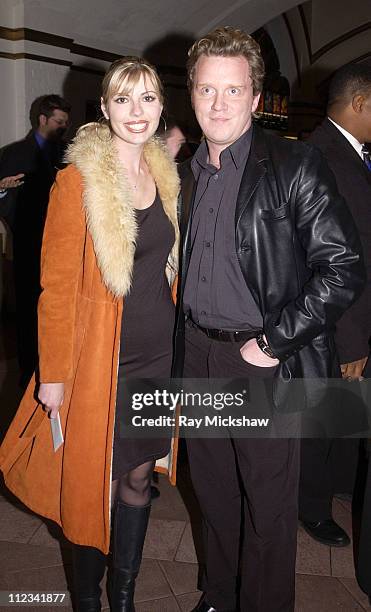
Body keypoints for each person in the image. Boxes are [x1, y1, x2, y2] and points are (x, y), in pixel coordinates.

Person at [173, 27, 365, 612]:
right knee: (214, 492)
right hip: (200, 357)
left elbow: (343, 268)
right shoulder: (184, 174)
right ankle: (220, 593)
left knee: (267, 505)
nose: (219, 104)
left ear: (256, 98)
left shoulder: (294, 164)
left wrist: (274, 343)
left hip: (261, 362)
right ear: (193, 94)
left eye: (233, 91)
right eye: (207, 90)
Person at [0, 57, 180, 611]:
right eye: (123, 99)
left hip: (156, 357)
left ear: (160, 108)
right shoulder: (75, 182)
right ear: (103, 109)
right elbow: (53, 288)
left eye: (147, 98)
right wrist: (52, 375)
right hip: (99, 359)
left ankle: (122, 596)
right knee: (89, 487)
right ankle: (87, 600)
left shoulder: (165, 174)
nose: (136, 111)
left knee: (135, 478)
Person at [299, 63, 371, 548]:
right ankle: (312, 507)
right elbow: (336, 259)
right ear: (361, 103)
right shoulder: (324, 156)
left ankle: (339, 487)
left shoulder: (351, 153)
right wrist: (351, 340)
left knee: (342, 416)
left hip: (350, 318)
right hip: (336, 322)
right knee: (320, 422)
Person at [0, 94, 71, 385]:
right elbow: (5, 204)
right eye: (58, 122)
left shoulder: (69, 153)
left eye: (66, 123)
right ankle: (28, 376)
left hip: (64, 247)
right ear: (42, 119)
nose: (63, 128)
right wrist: (2, 191)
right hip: (29, 247)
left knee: (60, 313)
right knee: (29, 314)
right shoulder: (13, 154)